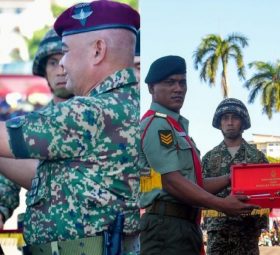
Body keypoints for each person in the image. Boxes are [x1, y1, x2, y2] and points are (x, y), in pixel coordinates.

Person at [0, 1, 140, 255]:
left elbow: (3, 138)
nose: (62, 64)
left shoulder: (92, 111)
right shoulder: (125, 103)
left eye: (65, 52)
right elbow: (45, 176)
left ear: (98, 51)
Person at [139, 55, 258, 255]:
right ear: (151, 88)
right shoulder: (158, 125)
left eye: (182, 83)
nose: (178, 89)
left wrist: (232, 177)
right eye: (170, 83)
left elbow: (193, 183)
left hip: (182, 226)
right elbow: (171, 181)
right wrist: (221, 205)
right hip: (166, 228)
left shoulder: (174, 127)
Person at [0, 28, 73, 229]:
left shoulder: (99, 115)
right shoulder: (32, 123)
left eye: (65, 58)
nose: (61, 69)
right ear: (43, 70)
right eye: (52, 62)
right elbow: (6, 178)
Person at [202, 98, 269, 255]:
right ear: (219, 123)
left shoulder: (258, 158)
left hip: (247, 233)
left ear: (243, 122)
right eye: (225, 118)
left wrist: (259, 224)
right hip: (217, 234)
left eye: (235, 117)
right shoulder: (208, 158)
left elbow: (267, 194)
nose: (230, 122)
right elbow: (198, 190)